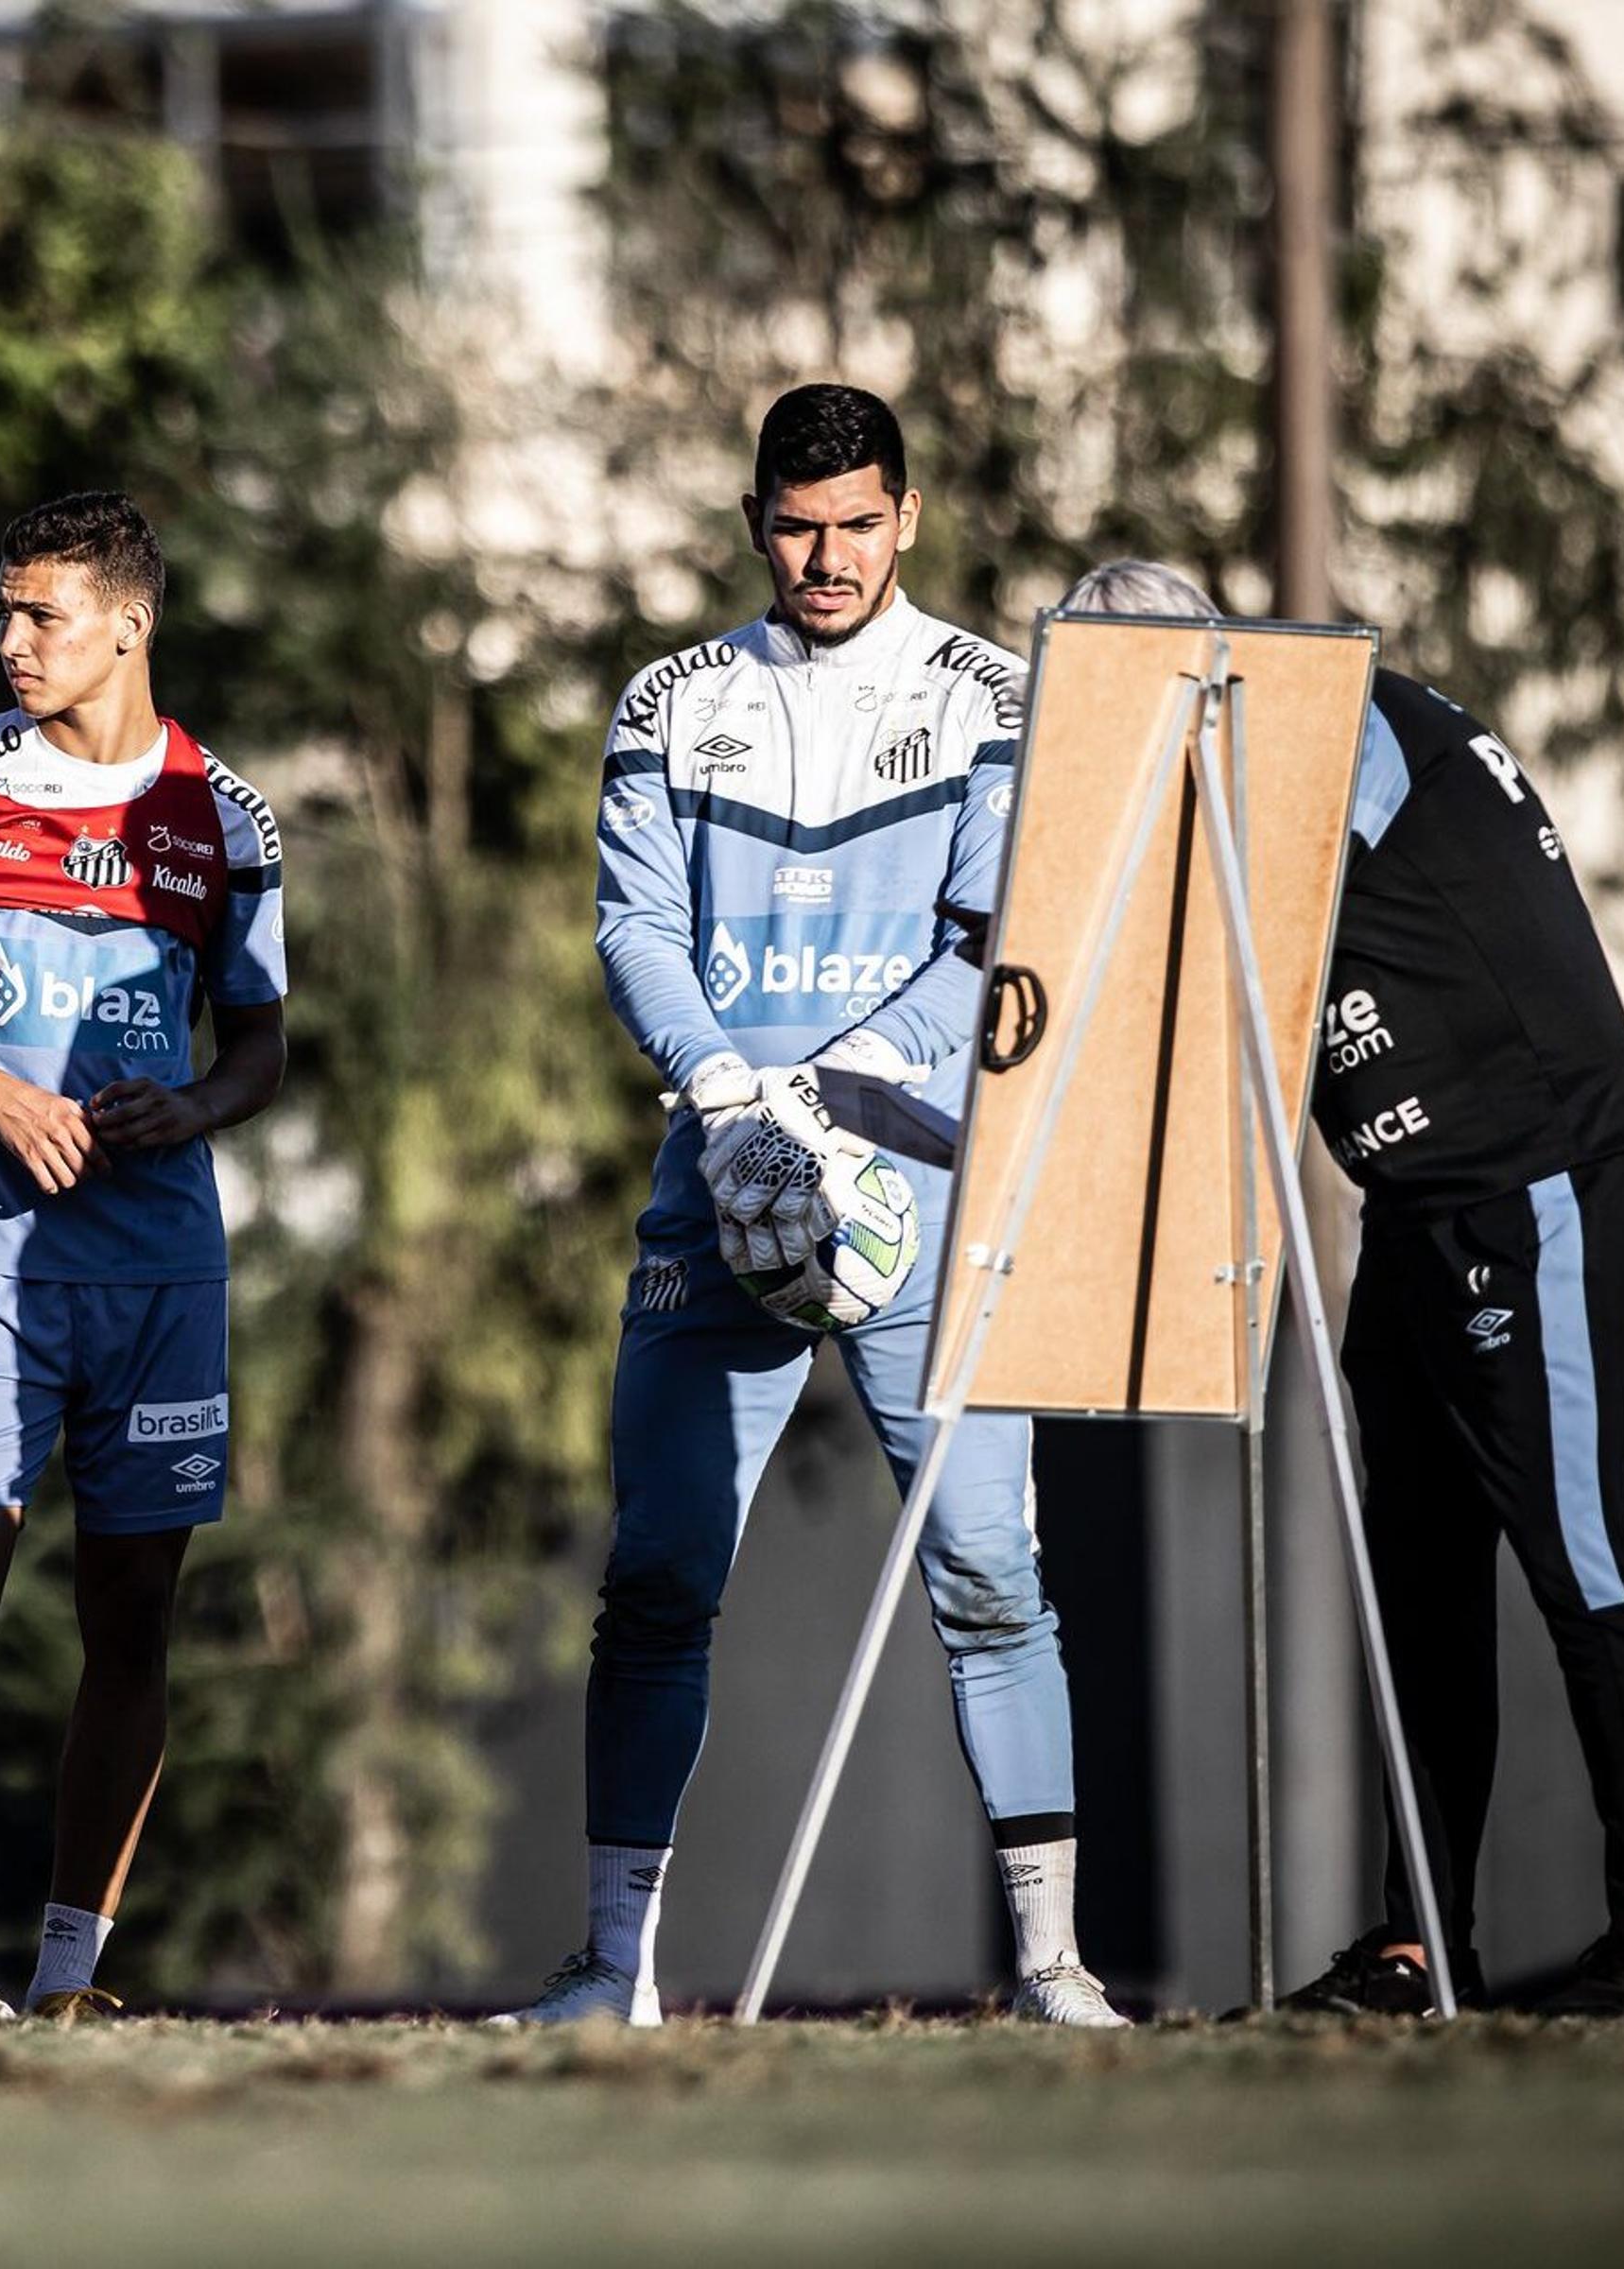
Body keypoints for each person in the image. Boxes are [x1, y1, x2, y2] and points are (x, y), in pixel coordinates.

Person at [503, 382, 1118, 2028]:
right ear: (753, 521)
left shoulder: (991, 691)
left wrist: (831, 1090)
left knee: (991, 1569)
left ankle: (1055, 1967)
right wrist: (727, 1093)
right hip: (721, 1195)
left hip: (918, 1192)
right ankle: (611, 1967)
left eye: (857, 522)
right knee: (658, 1576)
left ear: (907, 516)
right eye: (795, 524)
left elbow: (985, 942)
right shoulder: (674, 696)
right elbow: (634, 927)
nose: (827, 554)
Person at [1046, 563, 1624, 2018]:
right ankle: (1424, 1942)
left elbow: (1234, 915)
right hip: (1416, 1204)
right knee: (1420, 1583)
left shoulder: (1334, 719)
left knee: (1575, 1553)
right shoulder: (1256, 745)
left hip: (1538, 1177)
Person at [0, 490, 288, 2027]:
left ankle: (76, 1974)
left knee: (130, 1616)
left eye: (45, 615)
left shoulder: (225, 815)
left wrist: (196, 1102)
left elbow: (264, 1043)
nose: (11, 641)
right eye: (4, 612)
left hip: (159, 1284)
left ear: (129, 622)